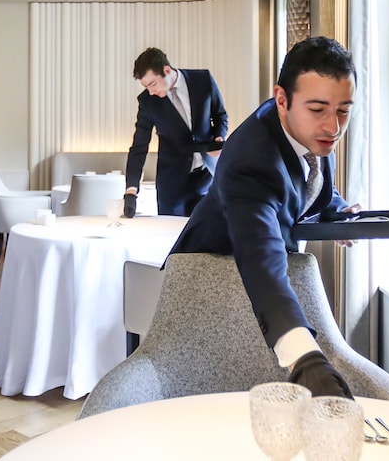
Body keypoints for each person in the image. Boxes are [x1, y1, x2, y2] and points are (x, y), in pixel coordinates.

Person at [167, 36, 361, 398]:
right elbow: (262, 260)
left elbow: (306, 180)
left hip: (263, 292)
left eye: (343, 111)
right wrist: (306, 360)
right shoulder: (250, 159)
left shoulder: (308, 128)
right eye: (318, 109)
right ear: (282, 99)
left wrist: (335, 210)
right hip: (209, 287)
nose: (333, 127)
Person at [123, 48, 228, 217]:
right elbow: (139, 147)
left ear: (166, 70)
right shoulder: (148, 102)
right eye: (146, 86)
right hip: (172, 186)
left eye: (153, 84)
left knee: (208, 230)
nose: (151, 91)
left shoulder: (203, 80)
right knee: (173, 233)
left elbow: (220, 115)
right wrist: (131, 191)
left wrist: (218, 140)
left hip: (207, 178)